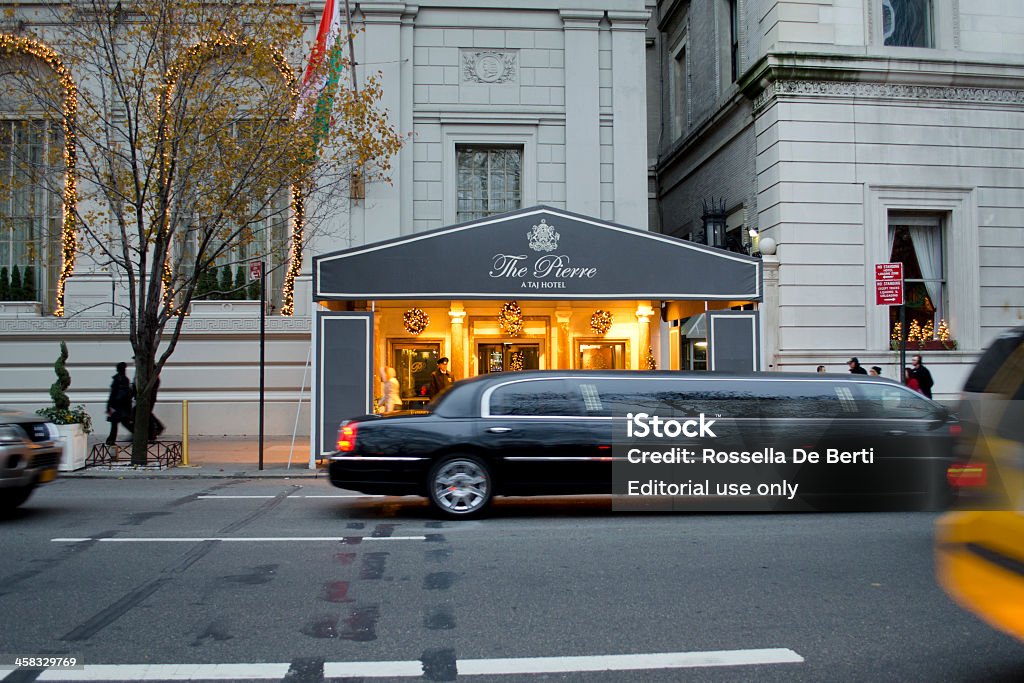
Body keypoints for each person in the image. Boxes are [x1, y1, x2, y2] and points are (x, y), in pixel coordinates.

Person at [105, 362, 134, 445]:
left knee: (119, 423)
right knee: (120, 423)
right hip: (120, 406)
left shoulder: (120, 379)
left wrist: (109, 405)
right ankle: (111, 439)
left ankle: (111, 439)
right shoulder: (123, 379)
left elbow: (113, 394)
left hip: (118, 406)